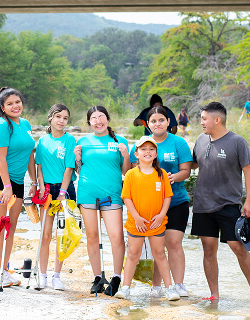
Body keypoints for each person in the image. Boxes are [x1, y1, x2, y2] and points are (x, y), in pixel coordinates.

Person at [190, 102, 250, 303]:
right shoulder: (200, 139)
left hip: (229, 204)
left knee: (238, 247)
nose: (201, 122)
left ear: (217, 120)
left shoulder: (237, 142)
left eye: (204, 118)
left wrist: (249, 201)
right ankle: (214, 294)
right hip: (202, 205)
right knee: (208, 249)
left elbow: (248, 171)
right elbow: (192, 165)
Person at [130, 106, 192, 298]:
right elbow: (135, 173)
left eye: (161, 120)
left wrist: (174, 178)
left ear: (168, 122)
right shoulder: (140, 145)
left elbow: (186, 171)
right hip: (149, 205)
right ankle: (156, 286)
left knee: (173, 243)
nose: (157, 124)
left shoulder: (179, 143)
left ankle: (179, 284)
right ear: (147, 124)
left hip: (176, 201)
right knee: (158, 246)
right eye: (153, 121)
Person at [74, 105, 130, 296]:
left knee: (116, 236)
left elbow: (126, 172)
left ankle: (116, 277)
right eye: (94, 118)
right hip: (87, 193)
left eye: (101, 117)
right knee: (92, 237)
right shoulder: (83, 141)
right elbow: (79, 170)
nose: (98, 121)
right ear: (89, 122)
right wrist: (77, 159)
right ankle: (97, 277)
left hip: (112, 194)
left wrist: (125, 155)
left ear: (108, 119)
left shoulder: (120, 141)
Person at [115, 136, 180, 301]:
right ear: (136, 153)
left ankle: (170, 288)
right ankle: (125, 288)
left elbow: (167, 197)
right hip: (136, 222)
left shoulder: (162, 174)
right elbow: (126, 198)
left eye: (151, 149)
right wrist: (136, 217)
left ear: (156, 153)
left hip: (156, 223)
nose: (147, 152)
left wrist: (161, 215)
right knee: (133, 254)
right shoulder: (130, 174)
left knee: (159, 254)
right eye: (143, 149)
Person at [0, 87, 37, 287]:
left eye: (18, 102)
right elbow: (0, 158)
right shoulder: (1, 127)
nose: (15, 106)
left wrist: (34, 182)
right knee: (0, 227)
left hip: (17, 181)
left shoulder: (25, 124)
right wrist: (6, 186)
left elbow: (29, 155)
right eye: (10, 104)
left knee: (12, 228)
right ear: (2, 107)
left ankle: (5, 271)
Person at [35, 104, 77, 291]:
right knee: (45, 234)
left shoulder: (70, 140)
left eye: (65, 118)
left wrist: (62, 192)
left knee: (62, 235)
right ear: (50, 118)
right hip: (47, 190)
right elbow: (39, 167)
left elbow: (69, 168)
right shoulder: (43, 141)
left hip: (64, 191)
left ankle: (57, 276)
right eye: (58, 116)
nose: (62, 121)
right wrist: (42, 187)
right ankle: (42, 274)